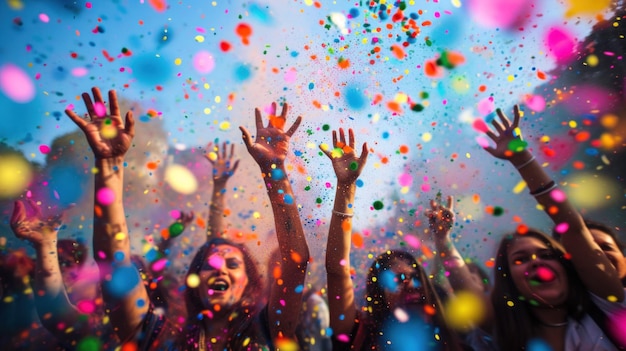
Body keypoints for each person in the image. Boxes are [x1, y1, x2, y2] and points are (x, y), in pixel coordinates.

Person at [64, 87, 310, 350]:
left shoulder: (268, 332)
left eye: (233, 264)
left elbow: (296, 262)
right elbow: (114, 264)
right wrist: (109, 165)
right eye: (209, 263)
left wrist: (274, 170)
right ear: (194, 281)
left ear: (250, 285)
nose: (219, 267)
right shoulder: (160, 339)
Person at [482, 105, 626, 350]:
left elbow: (571, 228)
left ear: (568, 266)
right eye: (520, 260)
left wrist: (521, 158)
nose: (536, 262)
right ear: (509, 281)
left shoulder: (605, 306)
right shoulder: (506, 340)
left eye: (547, 255)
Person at [321, 128, 463, 350]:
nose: (411, 284)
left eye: (414, 276)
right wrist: (346, 187)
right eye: (397, 280)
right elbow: (336, 270)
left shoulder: (453, 334)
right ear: (379, 297)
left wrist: (443, 239)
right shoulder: (362, 335)